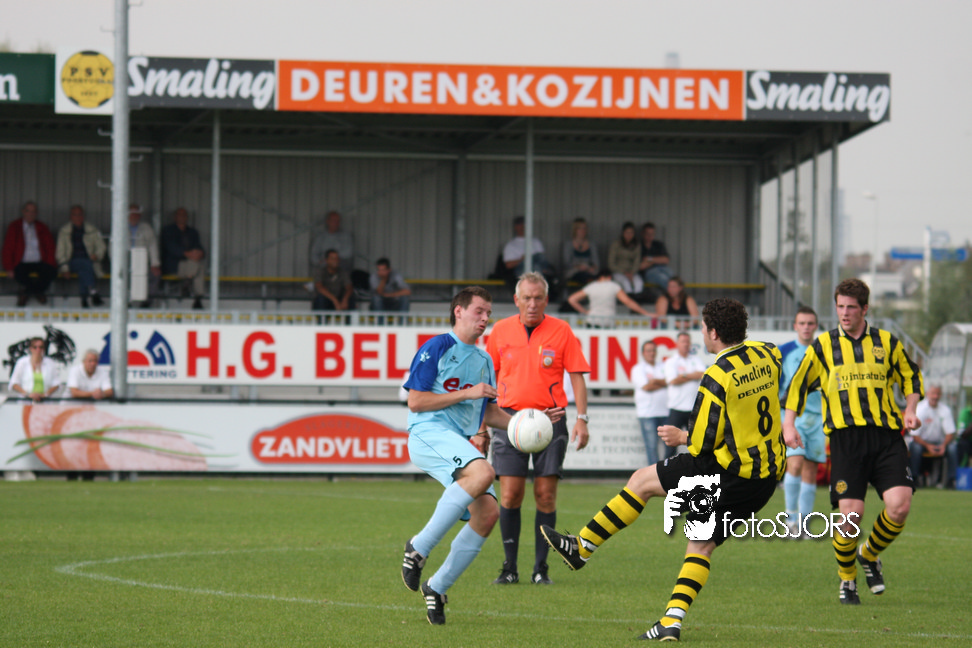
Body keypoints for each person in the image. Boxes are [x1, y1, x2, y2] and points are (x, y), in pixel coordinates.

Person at [541, 298, 785, 642]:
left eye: (703, 327)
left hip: (726, 471)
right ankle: (671, 622)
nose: (702, 332)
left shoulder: (717, 376)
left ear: (714, 333)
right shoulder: (769, 353)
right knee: (700, 545)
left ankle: (582, 547)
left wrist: (680, 436)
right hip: (764, 479)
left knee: (641, 481)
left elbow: (702, 444)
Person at [784, 278, 923, 605]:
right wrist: (788, 424)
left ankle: (869, 553)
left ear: (865, 309)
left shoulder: (887, 342)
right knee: (850, 519)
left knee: (900, 506)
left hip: (886, 436)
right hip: (846, 439)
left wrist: (911, 409)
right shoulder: (823, 346)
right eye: (840, 306)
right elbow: (798, 385)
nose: (844, 313)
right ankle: (847, 578)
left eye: (850, 307)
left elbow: (910, 376)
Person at [399, 286, 513, 625]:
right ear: (458, 311)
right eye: (479, 311)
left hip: (456, 441)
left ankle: (437, 587)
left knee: (488, 514)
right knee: (484, 473)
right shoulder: (436, 347)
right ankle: (418, 547)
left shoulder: (484, 360)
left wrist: (527, 425)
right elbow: (416, 401)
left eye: (488, 312)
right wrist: (467, 393)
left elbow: (488, 412)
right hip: (427, 432)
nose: (485, 318)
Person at [485, 272, 590, 586]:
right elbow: (487, 380)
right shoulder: (500, 331)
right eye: (526, 298)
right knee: (510, 494)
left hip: (550, 421)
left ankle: (541, 569)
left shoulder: (562, 330)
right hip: (508, 420)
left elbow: (577, 375)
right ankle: (509, 568)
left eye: (538, 298)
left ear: (546, 300)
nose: (532, 304)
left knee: (545, 496)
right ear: (516, 300)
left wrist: (582, 418)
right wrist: (480, 426)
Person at [780, 307, 825, 537]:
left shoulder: (824, 351)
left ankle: (804, 523)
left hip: (818, 418)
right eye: (802, 323)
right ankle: (790, 520)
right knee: (795, 464)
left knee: (810, 470)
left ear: (815, 326)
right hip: (792, 417)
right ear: (795, 326)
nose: (806, 327)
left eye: (810, 323)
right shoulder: (784, 351)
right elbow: (775, 385)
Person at [2, 201, 57, 306]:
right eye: (28, 211)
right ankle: (38, 292)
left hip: (39, 261)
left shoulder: (42, 227)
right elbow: (8, 248)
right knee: (18, 274)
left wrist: (50, 263)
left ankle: (26, 293)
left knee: (52, 272)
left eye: (33, 212)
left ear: (36, 213)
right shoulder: (15, 226)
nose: (30, 214)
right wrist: (9, 267)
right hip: (21, 262)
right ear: (23, 212)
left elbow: (50, 247)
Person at [662, 331, 706, 459]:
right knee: (670, 446)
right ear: (677, 343)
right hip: (676, 408)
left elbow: (703, 375)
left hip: (693, 409)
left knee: (697, 445)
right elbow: (673, 381)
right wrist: (693, 375)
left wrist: (684, 375)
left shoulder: (696, 359)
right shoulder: (671, 361)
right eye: (683, 341)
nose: (686, 344)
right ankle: (668, 470)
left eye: (687, 341)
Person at [55, 204, 106, 308]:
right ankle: (93, 292)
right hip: (70, 262)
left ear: (83, 216)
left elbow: (101, 246)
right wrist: (64, 268)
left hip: (90, 262)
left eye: (80, 215)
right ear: (71, 216)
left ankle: (84, 300)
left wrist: (96, 255)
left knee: (84, 269)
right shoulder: (64, 231)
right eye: (75, 215)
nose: (78, 217)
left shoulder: (92, 229)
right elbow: (60, 252)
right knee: (85, 264)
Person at [566, 267, 651, 327]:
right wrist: (645, 313)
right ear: (609, 277)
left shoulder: (591, 286)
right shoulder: (613, 286)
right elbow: (627, 302)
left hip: (592, 320)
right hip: (608, 321)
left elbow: (572, 299)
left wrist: (584, 311)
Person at [909, 384, 958, 488]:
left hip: (940, 443)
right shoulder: (920, 409)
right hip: (922, 443)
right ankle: (914, 478)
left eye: (938, 394)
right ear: (927, 394)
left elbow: (950, 432)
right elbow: (914, 435)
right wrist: (928, 446)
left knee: (953, 448)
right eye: (933, 393)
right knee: (915, 447)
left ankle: (951, 480)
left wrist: (943, 445)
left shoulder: (945, 410)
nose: (935, 396)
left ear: (941, 395)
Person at [631, 340, 668, 466]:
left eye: (653, 350)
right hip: (647, 413)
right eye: (648, 351)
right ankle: (654, 474)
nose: (651, 353)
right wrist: (663, 383)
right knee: (651, 447)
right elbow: (646, 387)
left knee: (669, 446)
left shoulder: (663, 366)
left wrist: (654, 381)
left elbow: (671, 381)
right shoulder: (638, 369)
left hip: (665, 411)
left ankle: (668, 473)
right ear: (643, 353)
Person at [160, 207, 206, 310]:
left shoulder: (193, 232)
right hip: (174, 265)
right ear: (175, 217)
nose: (182, 217)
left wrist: (200, 253)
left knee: (198, 265)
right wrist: (187, 254)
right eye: (180, 215)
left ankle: (188, 283)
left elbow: (199, 247)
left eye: (184, 215)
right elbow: (171, 248)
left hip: (190, 265)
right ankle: (197, 299)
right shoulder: (168, 230)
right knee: (197, 266)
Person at [128, 203, 162, 307]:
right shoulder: (120, 227)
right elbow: (113, 248)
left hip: (143, 262)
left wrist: (154, 264)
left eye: (137, 213)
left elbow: (152, 246)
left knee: (155, 275)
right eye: (132, 213)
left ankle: (147, 302)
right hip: (126, 262)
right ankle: (126, 301)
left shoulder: (146, 228)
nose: (134, 216)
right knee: (122, 276)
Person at [8, 337, 61, 401]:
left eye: (41, 347)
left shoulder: (50, 363)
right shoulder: (22, 362)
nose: (38, 349)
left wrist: (45, 395)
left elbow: (56, 383)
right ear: (30, 348)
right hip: (26, 400)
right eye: (35, 347)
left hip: (45, 401)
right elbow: (14, 383)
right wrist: (27, 394)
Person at [310, 210, 354, 274]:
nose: (336, 223)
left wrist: (332, 259)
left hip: (340, 266)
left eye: (338, 221)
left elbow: (349, 253)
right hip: (323, 267)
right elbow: (314, 254)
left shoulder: (346, 236)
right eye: (334, 221)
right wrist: (319, 262)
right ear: (328, 221)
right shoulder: (320, 237)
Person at [561, 217, 599, 288]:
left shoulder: (591, 244)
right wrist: (579, 267)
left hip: (588, 271)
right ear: (575, 230)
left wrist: (589, 267)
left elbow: (596, 262)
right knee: (583, 278)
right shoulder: (568, 244)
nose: (583, 231)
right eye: (580, 228)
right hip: (574, 272)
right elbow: (566, 263)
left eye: (584, 228)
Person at [607, 221, 643, 295]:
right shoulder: (616, 245)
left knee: (638, 283)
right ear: (623, 233)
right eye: (627, 233)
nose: (629, 235)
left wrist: (632, 272)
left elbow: (637, 262)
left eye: (631, 233)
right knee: (626, 283)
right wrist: (623, 272)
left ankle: (637, 300)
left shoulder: (637, 245)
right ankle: (628, 299)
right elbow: (611, 263)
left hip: (632, 272)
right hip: (618, 271)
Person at [638, 221, 673, 291]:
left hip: (662, 268)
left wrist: (649, 259)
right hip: (648, 272)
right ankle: (674, 294)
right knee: (663, 278)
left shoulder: (658, 244)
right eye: (647, 234)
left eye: (652, 234)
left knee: (673, 277)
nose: (650, 236)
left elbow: (666, 260)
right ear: (642, 233)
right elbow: (640, 266)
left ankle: (678, 294)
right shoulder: (638, 246)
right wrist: (657, 260)